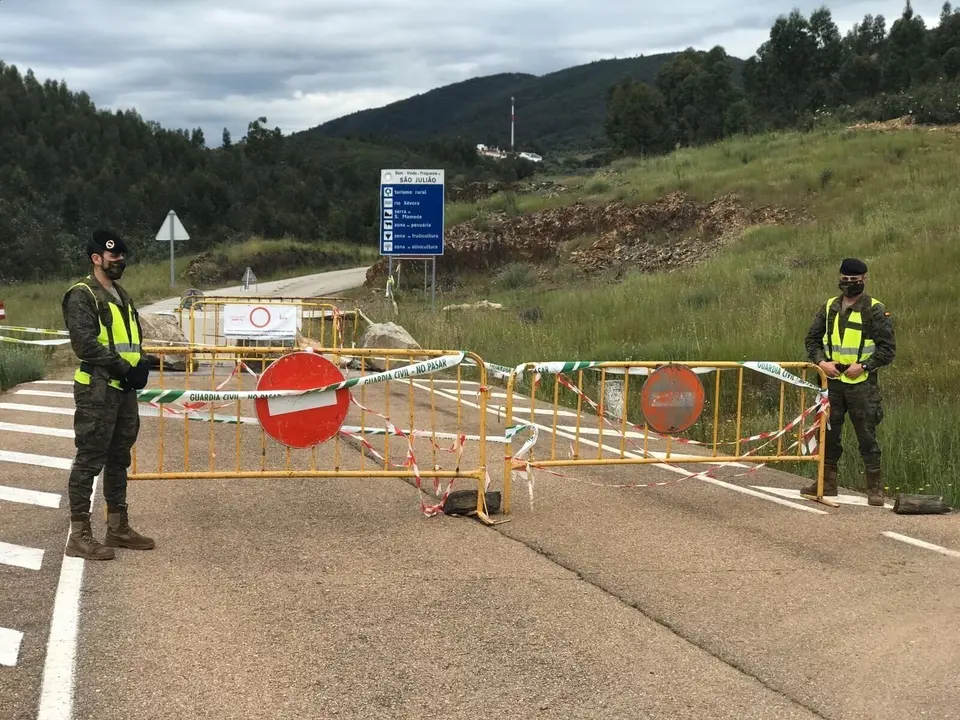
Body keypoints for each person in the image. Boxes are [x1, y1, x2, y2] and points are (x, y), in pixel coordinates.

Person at [61, 230, 155, 560]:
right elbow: (85, 344)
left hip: (123, 391)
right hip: (97, 390)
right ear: (96, 258)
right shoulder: (82, 295)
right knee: (89, 459)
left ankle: (117, 527)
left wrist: (141, 364)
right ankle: (80, 534)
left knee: (119, 459)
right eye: (113, 257)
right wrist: (123, 368)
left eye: (121, 257)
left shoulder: (122, 296)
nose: (119, 261)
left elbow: (132, 339)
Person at [802, 257, 895, 506]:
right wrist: (821, 362)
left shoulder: (875, 310)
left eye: (854, 280)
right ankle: (827, 482)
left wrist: (863, 366)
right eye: (845, 280)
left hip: (861, 384)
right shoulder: (830, 307)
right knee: (828, 433)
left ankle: (875, 488)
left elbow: (887, 350)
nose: (849, 284)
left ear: (864, 279)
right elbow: (812, 340)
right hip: (831, 381)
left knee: (866, 435)